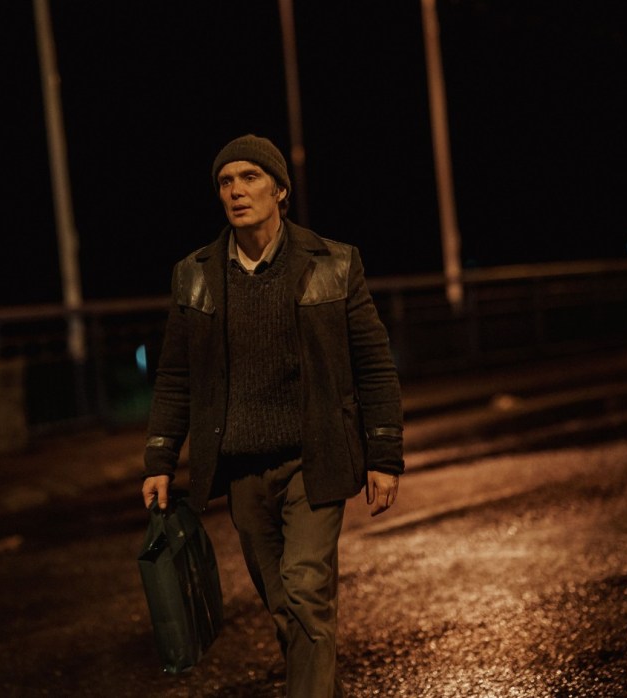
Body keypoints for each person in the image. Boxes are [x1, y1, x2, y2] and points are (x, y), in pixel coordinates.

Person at [141, 133, 404, 697]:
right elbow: (176, 375)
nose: (236, 191)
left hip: (316, 459)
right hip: (241, 468)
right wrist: (160, 458)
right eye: (225, 181)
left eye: (250, 177)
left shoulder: (335, 262)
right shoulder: (194, 274)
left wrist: (384, 455)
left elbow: (374, 364)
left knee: (306, 592)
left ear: (280, 190)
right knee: (285, 607)